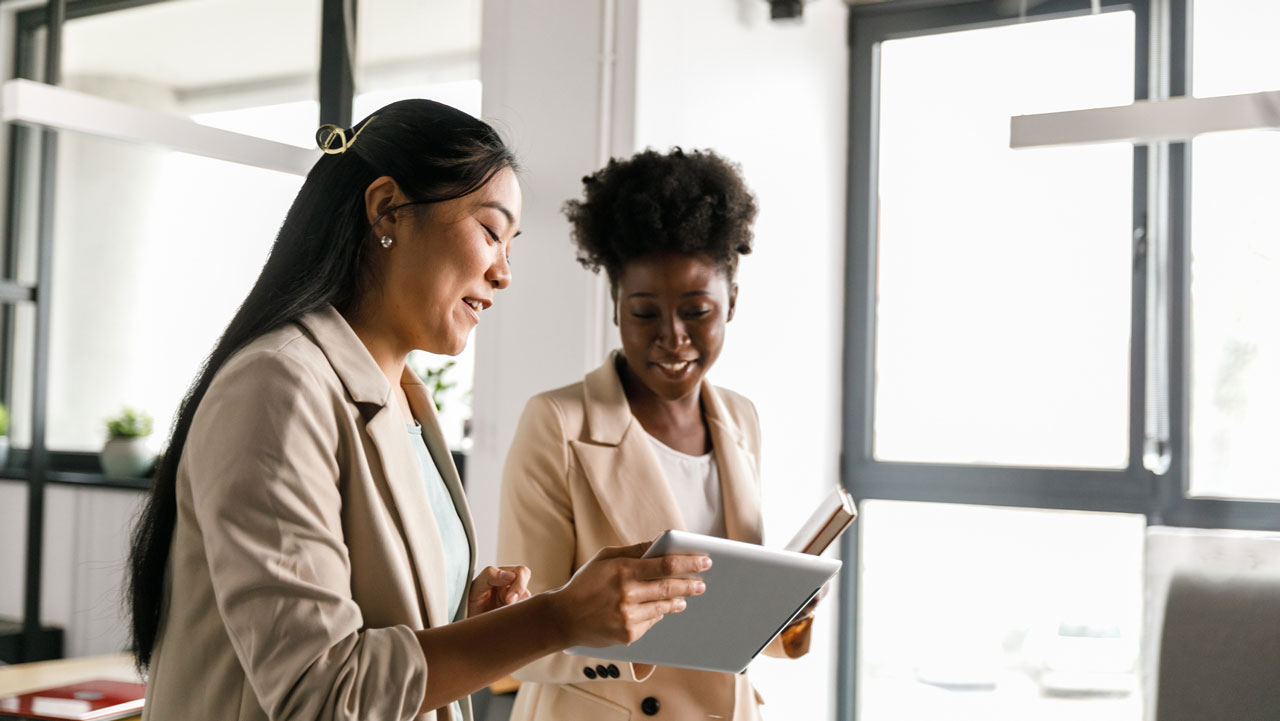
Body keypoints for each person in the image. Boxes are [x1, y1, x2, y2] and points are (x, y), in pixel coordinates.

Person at [126, 100, 709, 721]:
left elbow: (381, 625)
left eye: (512, 245)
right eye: (490, 231)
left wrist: (467, 616)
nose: (504, 272)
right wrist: (555, 618)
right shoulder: (278, 385)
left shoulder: (402, 401)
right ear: (387, 210)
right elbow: (320, 694)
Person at [497, 148, 817, 721]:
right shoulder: (557, 424)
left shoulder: (741, 420)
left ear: (732, 303)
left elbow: (725, 624)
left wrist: (779, 611)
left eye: (696, 311)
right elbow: (519, 637)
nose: (672, 338)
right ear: (618, 308)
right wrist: (627, 634)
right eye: (646, 314)